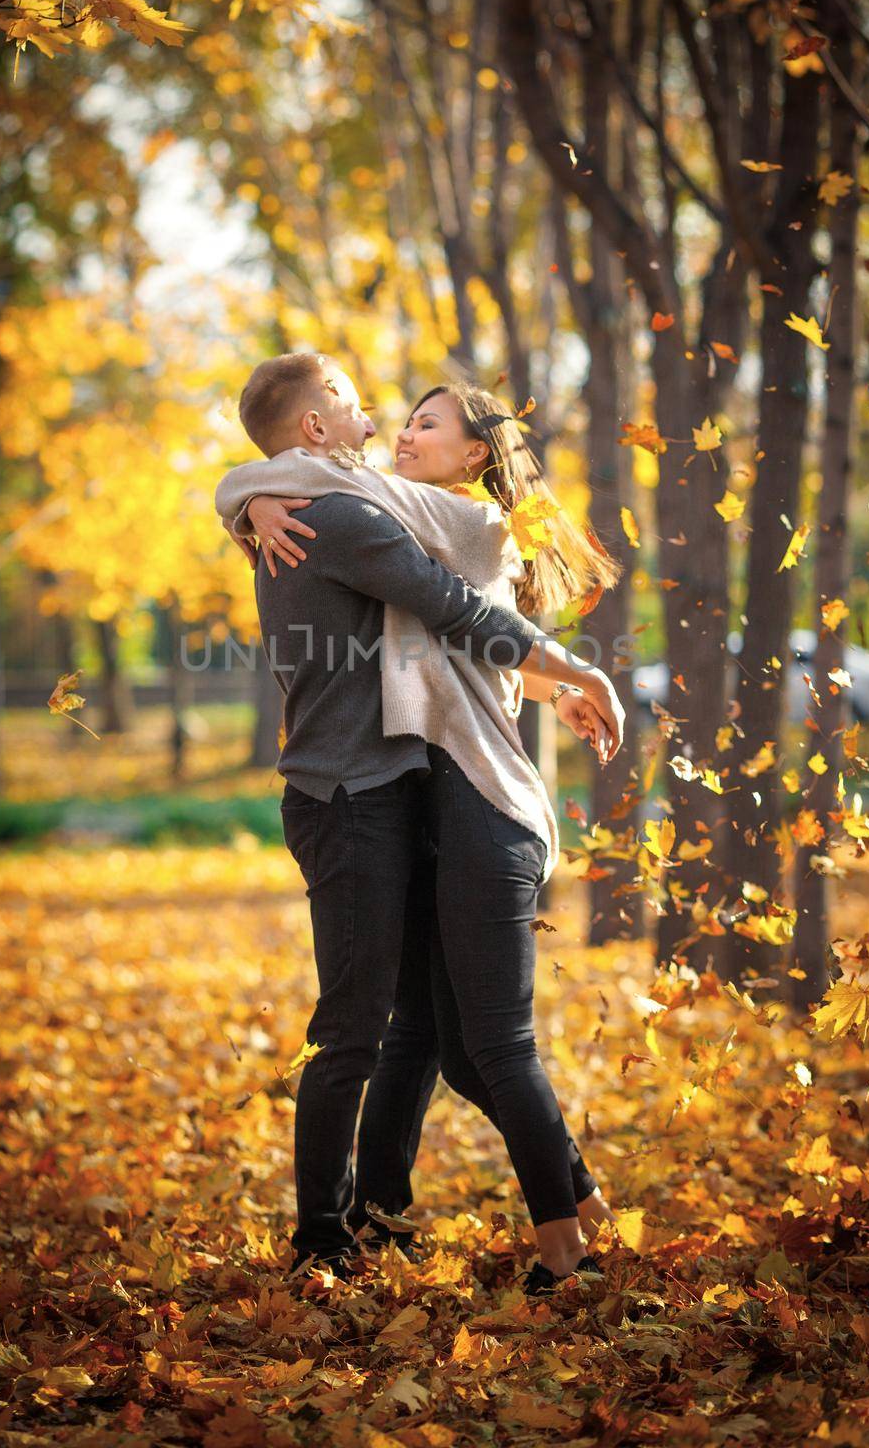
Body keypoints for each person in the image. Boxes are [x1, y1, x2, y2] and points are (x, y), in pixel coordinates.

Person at [216, 352, 626, 1290]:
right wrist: (247, 497)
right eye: (358, 408)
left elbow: (459, 623)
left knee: (425, 1033)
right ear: (316, 430)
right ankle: (325, 1237)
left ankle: (388, 1216)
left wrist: (247, 496)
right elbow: (442, 603)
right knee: (360, 1028)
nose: (383, 425)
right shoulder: (337, 512)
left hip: (402, 790)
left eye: (417, 421)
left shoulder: (375, 506)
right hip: (346, 792)